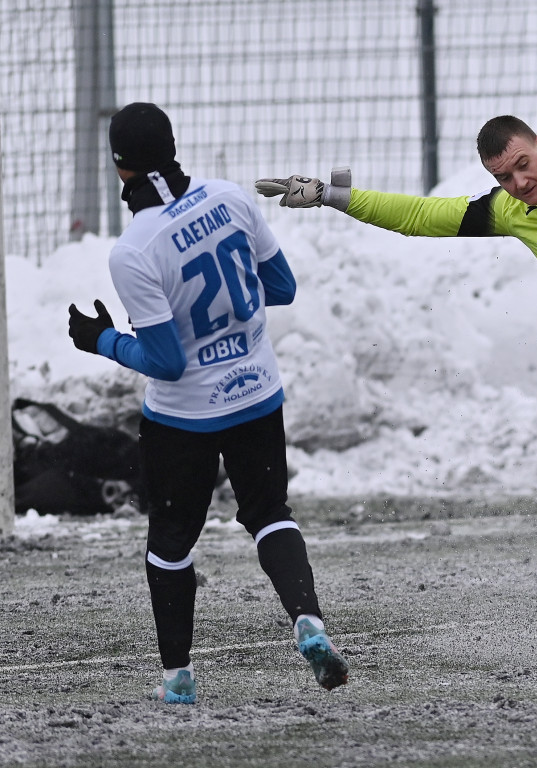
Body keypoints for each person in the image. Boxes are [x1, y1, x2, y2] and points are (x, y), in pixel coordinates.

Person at [255, 115, 537, 647]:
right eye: (504, 177)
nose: (519, 183)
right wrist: (333, 197)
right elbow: (422, 215)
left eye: (523, 164)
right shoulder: (510, 211)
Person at [67, 102, 349, 703]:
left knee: (171, 541)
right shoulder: (230, 198)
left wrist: (105, 341)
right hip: (257, 393)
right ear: (173, 146)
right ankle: (308, 622)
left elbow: (166, 361)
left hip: (183, 417)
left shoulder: (133, 249)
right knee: (270, 512)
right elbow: (283, 288)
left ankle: (178, 680)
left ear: (119, 168)